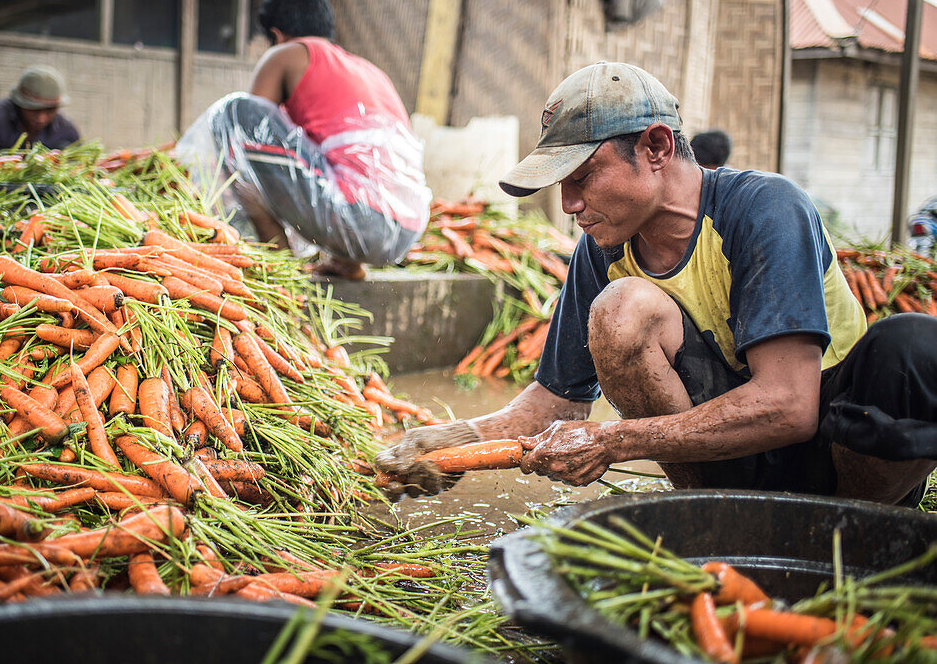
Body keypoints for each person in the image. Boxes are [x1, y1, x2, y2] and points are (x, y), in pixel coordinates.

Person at [377, 62, 937, 507]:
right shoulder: (604, 249)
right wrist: (455, 442)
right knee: (622, 308)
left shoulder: (763, 209)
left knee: (913, 346)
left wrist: (613, 441)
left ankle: (854, 534)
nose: (570, 206)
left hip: (840, 456)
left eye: (583, 178)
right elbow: (557, 404)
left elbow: (790, 406)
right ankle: (717, 517)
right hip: (729, 470)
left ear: (657, 147)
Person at [199, 0, 430, 280]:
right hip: (406, 232)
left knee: (234, 115)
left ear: (276, 35)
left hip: (359, 221)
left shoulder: (287, 54)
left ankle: (279, 266)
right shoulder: (370, 71)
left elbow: (247, 146)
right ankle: (346, 263)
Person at [0, 65, 80, 161]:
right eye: (34, 109)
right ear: (19, 103)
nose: (42, 119)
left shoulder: (67, 131)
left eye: (50, 110)